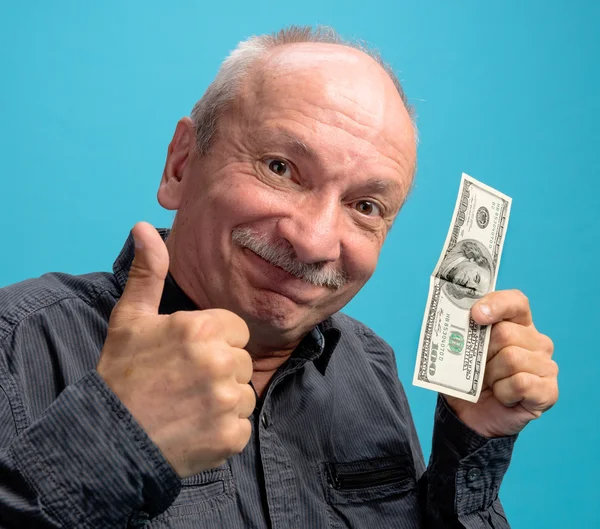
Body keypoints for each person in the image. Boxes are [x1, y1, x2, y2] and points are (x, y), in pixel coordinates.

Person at [0, 26, 558, 528]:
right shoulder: (14, 343)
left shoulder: (369, 366)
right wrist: (111, 444)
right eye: (280, 168)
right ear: (180, 165)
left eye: (365, 206)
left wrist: (473, 444)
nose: (314, 240)